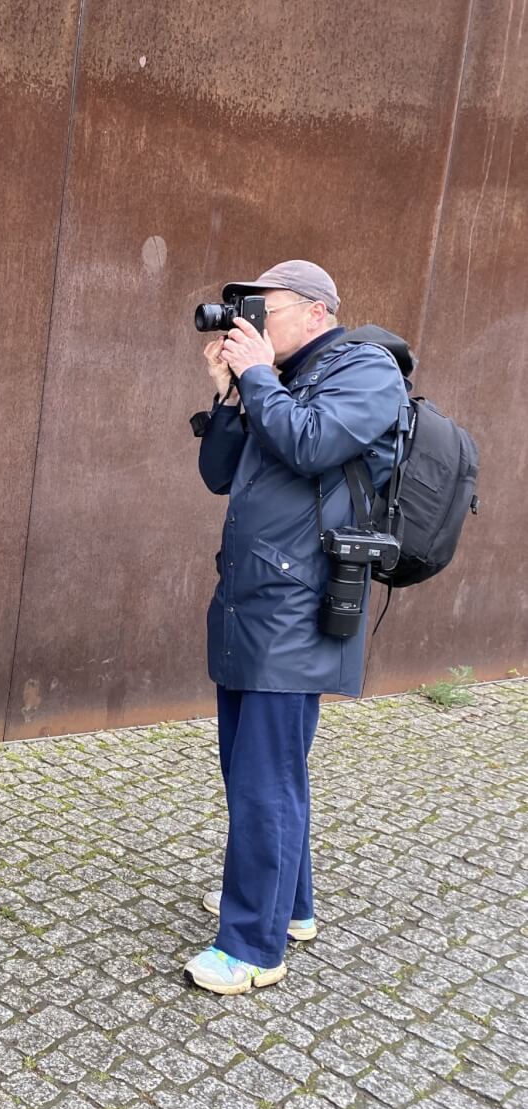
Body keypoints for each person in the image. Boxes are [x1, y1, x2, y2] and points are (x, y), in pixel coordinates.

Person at [188, 260, 407, 994]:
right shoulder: (270, 378)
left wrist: (255, 378)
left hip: (301, 606)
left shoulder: (365, 371)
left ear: (316, 312)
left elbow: (312, 444)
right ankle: (291, 908)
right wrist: (227, 392)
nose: (250, 323)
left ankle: (252, 948)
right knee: (257, 771)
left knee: (264, 779)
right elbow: (219, 473)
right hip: (250, 599)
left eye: (264, 308)